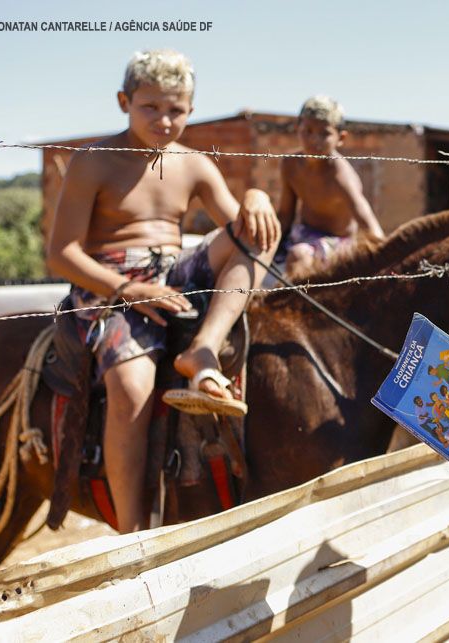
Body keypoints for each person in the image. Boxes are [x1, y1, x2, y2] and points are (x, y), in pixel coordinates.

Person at [46, 49, 281, 533]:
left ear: (191, 109)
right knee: (131, 387)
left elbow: (239, 225)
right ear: (124, 102)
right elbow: (61, 254)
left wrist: (257, 197)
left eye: (176, 109)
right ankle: (131, 529)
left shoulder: (194, 164)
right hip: (110, 284)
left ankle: (203, 349)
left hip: (174, 271)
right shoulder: (93, 161)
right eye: (150, 107)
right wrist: (128, 289)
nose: (164, 120)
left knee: (258, 233)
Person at [275, 95, 385, 277]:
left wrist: (387, 258)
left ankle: (297, 296)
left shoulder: (341, 176)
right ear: (297, 129)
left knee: (299, 256)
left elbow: (369, 225)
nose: (314, 139)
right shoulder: (290, 164)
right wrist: (269, 242)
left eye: (324, 133)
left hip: (338, 241)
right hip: (303, 233)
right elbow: (285, 214)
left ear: (341, 138)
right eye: (307, 131)